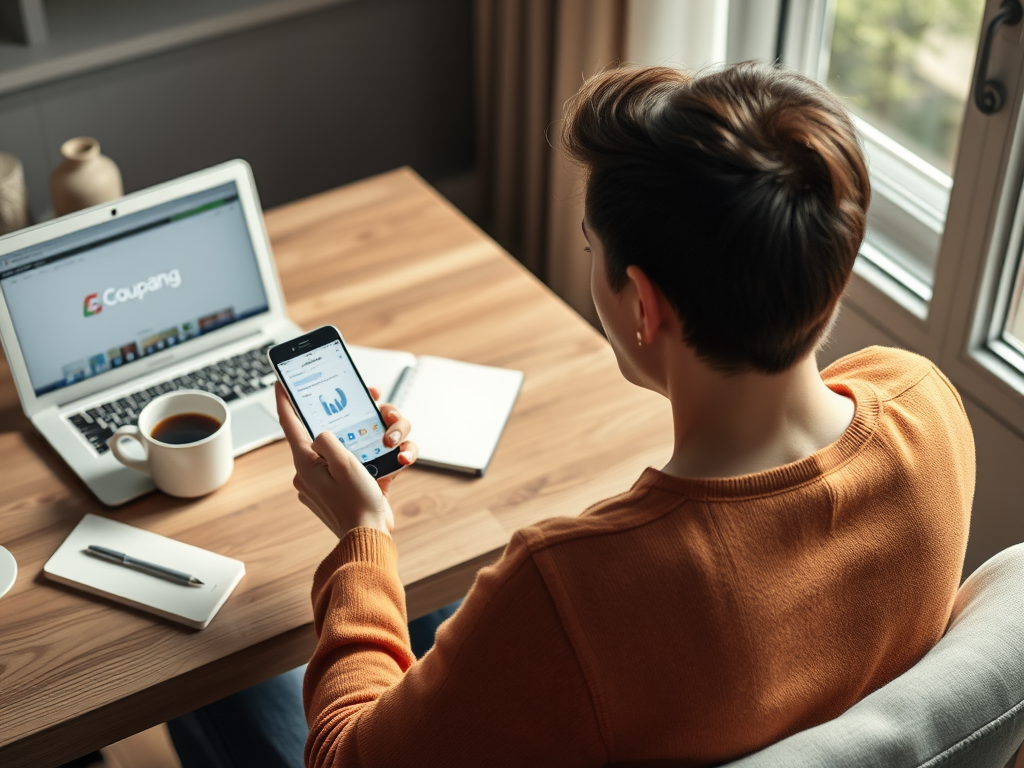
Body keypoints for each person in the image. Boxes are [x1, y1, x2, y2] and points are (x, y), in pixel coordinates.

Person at [169, 61, 974, 767]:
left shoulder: (571, 588)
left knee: (208, 666)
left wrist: (361, 537)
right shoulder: (924, 403)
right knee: (450, 615)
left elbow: (344, 759)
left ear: (645, 307)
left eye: (593, 250)